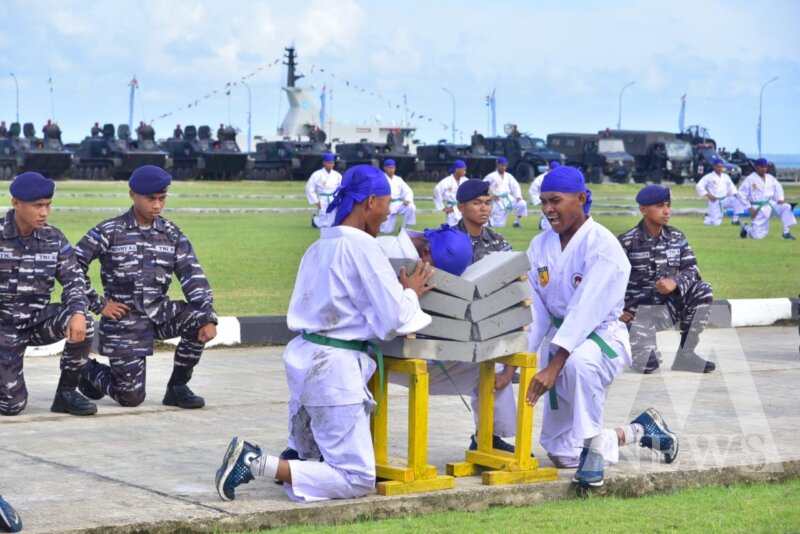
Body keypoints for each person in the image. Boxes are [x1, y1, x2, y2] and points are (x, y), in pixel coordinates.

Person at [215, 164, 434, 503]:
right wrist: (411, 293)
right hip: (334, 369)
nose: (389, 212)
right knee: (357, 478)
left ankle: (292, 460)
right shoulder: (361, 247)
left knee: (313, 458)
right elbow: (392, 319)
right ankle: (257, 462)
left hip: (306, 358)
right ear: (370, 201)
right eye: (387, 203)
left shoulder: (319, 246)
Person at [525, 165, 678, 487]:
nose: (549, 209)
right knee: (561, 453)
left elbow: (585, 311)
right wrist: (520, 360)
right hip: (559, 340)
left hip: (601, 338)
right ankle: (640, 430)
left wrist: (554, 364)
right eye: (544, 202)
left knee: (580, 363)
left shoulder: (603, 246)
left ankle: (594, 452)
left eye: (556, 200)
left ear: (580, 198)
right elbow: (536, 311)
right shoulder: (539, 246)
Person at [75, 165, 218, 409]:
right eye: (151, 199)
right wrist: (99, 304)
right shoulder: (109, 231)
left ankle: (177, 387)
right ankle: (85, 369)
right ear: (132, 194)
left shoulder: (171, 233)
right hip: (125, 320)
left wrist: (208, 316)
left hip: (159, 314)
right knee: (130, 398)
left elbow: (192, 275)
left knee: (199, 317)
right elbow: (72, 266)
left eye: (162, 199)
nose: (157, 206)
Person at [377, 220, 519, 452]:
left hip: (432, 348)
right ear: (425, 251)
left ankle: (488, 437)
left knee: (488, 363)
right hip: (385, 351)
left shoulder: (428, 254)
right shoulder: (383, 251)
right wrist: (408, 294)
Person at [0, 172, 97, 416]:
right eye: (37, 206)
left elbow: (74, 280)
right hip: (3, 327)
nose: (44, 212)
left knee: (84, 321)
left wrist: (77, 312)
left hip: (36, 321)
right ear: (15, 203)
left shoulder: (53, 238)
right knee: (11, 406)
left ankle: (66, 393)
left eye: (48, 205)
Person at [618, 185, 716, 374]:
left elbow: (692, 269)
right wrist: (616, 311)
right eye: (660, 206)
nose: (666, 211)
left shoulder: (676, 237)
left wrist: (675, 282)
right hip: (637, 315)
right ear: (643, 209)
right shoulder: (626, 242)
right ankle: (631, 341)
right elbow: (608, 281)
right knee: (649, 366)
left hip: (667, 309)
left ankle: (685, 355)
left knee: (703, 289)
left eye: (668, 205)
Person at [738, 158, 796, 240]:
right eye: (761, 167)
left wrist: (780, 198)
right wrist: (749, 207)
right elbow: (741, 194)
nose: (764, 169)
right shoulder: (750, 179)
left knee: (786, 207)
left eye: (765, 167)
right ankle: (746, 228)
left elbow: (778, 188)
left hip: (771, 204)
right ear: (756, 167)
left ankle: (786, 233)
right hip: (758, 208)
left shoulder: (770, 178)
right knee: (758, 236)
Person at [695, 157, 743, 226]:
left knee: (737, 200)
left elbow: (732, 187)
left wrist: (736, 195)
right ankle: (708, 217)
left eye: (721, 167)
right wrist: (708, 195)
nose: (720, 168)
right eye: (718, 167)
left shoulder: (725, 176)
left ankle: (735, 220)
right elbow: (699, 186)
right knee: (716, 223)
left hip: (725, 199)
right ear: (714, 167)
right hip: (715, 201)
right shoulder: (709, 176)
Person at [483, 157, 527, 228]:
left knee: (522, 203)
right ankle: (489, 221)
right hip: (497, 201)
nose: (504, 167)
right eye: (502, 165)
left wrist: (518, 196)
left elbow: (515, 186)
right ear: (497, 165)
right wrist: (491, 195)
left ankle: (517, 222)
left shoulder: (508, 176)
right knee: (499, 225)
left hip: (508, 199)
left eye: (505, 165)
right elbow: (483, 187)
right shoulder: (491, 176)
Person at [305, 153, 343, 229]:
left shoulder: (337, 175)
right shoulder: (317, 174)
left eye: (332, 163)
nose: (330, 165)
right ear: (324, 163)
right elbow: (309, 188)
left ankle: (329, 223)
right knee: (323, 217)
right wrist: (316, 201)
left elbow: (341, 187)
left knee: (333, 218)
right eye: (328, 163)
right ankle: (315, 221)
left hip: (333, 198)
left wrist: (339, 199)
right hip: (322, 198)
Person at [379, 159, 416, 234]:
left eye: (393, 168)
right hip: (387, 205)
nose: (391, 170)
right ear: (385, 168)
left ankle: (405, 228)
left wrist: (407, 200)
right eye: (389, 168)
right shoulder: (380, 179)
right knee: (386, 231)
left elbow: (408, 191)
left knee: (411, 207)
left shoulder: (398, 179)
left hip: (398, 203)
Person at [433, 159, 469, 226]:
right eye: (463, 169)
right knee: (452, 229)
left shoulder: (466, 181)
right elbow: (436, 191)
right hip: (451, 209)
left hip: (464, 208)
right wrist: (442, 207)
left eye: (465, 169)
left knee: (465, 229)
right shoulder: (447, 181)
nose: (465, 171)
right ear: (457, 170)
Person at [529, 160, 560, 231]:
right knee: (547, 226)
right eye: (553, 170)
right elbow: (532, 189)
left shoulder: (560, 178)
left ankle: (543, 222)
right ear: (549, 169)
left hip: (556, 201)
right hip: (545, 201)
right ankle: (542, 223)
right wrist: (538, 200)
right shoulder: (541, 178)